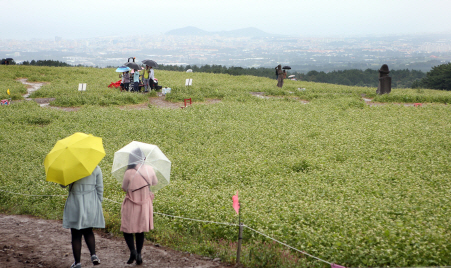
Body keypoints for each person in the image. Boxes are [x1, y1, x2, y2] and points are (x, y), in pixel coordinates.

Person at [121, 148, 158, 265]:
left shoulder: (128, 172)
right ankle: (139, 254)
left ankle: (132, 251)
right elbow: (154, 182)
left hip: (131, 204)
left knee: (127, 229)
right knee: (140, 230)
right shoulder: (150, 169)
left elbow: (124, 187)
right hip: (145, 204)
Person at [62, 166, 105, 268]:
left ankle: (77, 263)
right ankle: (93, 255)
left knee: (76, 234)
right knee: (88, 230)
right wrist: (98, 203)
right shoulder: (95, 168)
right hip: (90, 201)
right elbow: (100, 187)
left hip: (75, 201)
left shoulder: (70, 168)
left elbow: (62, 185)